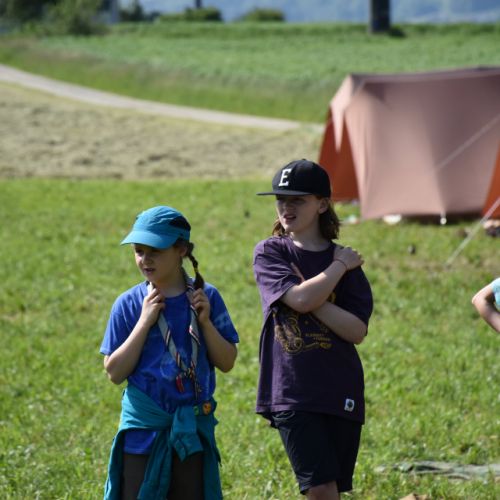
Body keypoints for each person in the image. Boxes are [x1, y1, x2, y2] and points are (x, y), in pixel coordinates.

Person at [253, 159, 373, 499]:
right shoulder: (271, 252)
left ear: (322, 204)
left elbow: (356, 330)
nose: (286, 207)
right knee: (319, 489)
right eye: (281, 199)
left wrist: (307, 297)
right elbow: (301, 299)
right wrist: (337, 268)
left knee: (332, 490)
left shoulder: (348, 263)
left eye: (298, 200)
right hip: (292, 389)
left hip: (340, 388)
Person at [100, 205, 239, 500]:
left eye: (155, 250)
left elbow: (227, 361)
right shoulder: (128, 304)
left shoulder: (207, 297)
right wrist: (144, 322)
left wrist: (205, 322)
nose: (145, 259)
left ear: (181, 250)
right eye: (139, 251)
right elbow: (114, 372)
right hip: (143, 432)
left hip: (191, 430)